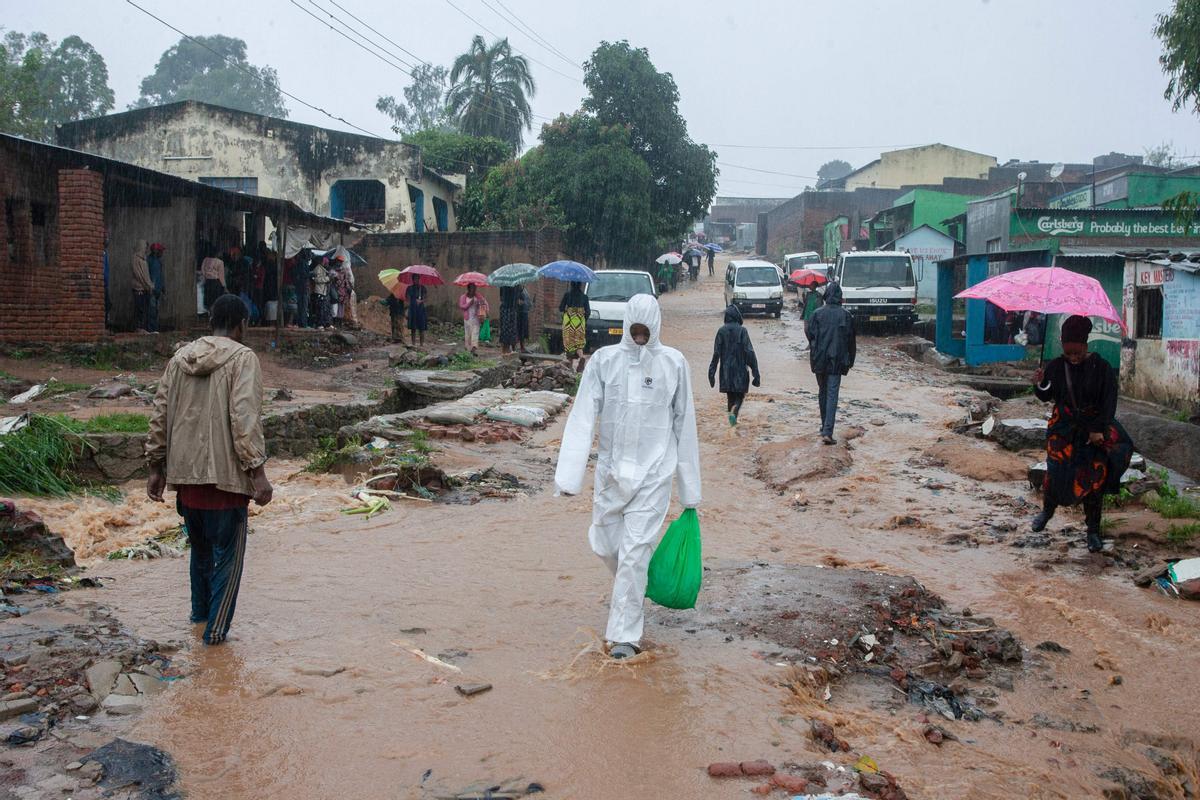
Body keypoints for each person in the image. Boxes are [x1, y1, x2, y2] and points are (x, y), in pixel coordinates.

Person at [555, 294, 701, 660]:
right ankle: (634, 586)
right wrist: (569, 477)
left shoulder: (673, 364)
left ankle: (624, 637)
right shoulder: (604, 362)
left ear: (655, 328)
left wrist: (689, 490)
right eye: (633, 331)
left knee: (634, 554)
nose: (638, 337)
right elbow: (583, 415)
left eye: (645, 331)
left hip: (654, 475)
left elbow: (686, 425)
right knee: (606, 546)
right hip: (611, 475)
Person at [145, 294, 272, 645]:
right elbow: (245, 417)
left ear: (210, 320)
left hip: (186, 482)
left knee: (200, 556)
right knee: (227, 567)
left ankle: (198, 621)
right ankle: (214, 644)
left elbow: (160, 413)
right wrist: (258, 473)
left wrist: (156, 466)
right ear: (241, 325)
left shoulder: (180, 358)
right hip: (227, 482)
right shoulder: (243, 358)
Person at [1031, 315, 1133, 553]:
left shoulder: (1102, 368)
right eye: (1068, 353)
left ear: (1086, 345)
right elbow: (1047, 395)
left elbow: (1109, 402)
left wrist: (1098, 429)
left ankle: (1093, 531)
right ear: (1063, 347)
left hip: (1092, 432)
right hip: (1063, 431)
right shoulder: (1056, 366)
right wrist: (1039, 383)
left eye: (1077, 352)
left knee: (1093, 480)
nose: (1073, 358)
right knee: (1055, 473)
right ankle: (1047, 511)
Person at [805, 282, 856, 445]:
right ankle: (827, 431)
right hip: (837, 360)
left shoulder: (817, 314)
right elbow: (851, 341)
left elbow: (810, 334)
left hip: (819, 359)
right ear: (840, 297)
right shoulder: (846, 316)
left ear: (826, 295)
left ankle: (824, 427)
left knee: (823, 392)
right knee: (832, 394)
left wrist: (816, 349)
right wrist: (851, 360)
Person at [709, 304, 761, 427]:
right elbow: (749, 352)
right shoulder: (742, 331)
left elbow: (716, 354)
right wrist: (755, 372)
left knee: (730, 397)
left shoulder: (721, 331)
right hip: (740, 370)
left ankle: (731, 424)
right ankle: (735, 412)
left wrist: (711, 373)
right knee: (740, 396)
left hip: (725, 371)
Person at [559, 281, 591, 369]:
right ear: (581, 285)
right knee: (578, 342)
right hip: (579, 322)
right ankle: (581, 357)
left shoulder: (567, 295)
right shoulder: (584, 297)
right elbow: (588, 312)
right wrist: (583, 320)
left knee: (569, 342)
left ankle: (570, 366)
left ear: (571, 284)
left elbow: (561, 308)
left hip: (569, 322)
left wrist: (567, 309)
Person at [458, 283, 489, 354]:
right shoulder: (463, 297)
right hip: (467, 318)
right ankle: (468, 349)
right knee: (468, 333)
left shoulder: (478, 296)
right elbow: (462, 306)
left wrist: (481, 304)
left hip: (476, 317)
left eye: (474, 288)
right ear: (468, 288)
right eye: (472, 288)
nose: (473, 289)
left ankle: (474, 348)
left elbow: (484, 303)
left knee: (475, 332)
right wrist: (470, 303)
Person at [131, 239, 155, 333]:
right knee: (139, 308)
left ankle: (143, 327)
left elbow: (146, 274)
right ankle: (138, 327)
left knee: (145, 309)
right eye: (145, 247)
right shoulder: (135, 258)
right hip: (138, 288)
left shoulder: (144, 259)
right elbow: (139, 274)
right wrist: (146, 284)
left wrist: (149, 285)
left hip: (146, 288)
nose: (146, 249)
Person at [200, 247, 226, 313]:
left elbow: (203, 271)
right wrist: (224, 286)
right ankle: (215, 313)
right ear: (217, 253)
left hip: (208, 282)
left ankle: (210, 313)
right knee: (216, 299)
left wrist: (207, 275)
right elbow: (221, 276)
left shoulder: (205, 260)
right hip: (216, 283)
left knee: (209, 299)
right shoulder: (220, 262)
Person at [147, 242, 166, 334]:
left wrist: (163, 287)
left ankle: (154, 328)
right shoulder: (149, 261)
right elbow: (150, 276)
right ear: (155, 251)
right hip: (152, 290)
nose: (162, 253)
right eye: (160, 251)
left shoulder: (158, 261)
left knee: (155, 311)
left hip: (157, 289)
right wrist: (152, 287)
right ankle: (151, 329)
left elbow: (160, 275)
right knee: (152, 311)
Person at [406, 275, 428, 347]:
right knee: (413, 327)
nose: (416, 280)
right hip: (413, 309)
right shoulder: (409, 288)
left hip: (421, 310)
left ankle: (421, 344)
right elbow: (408, 298)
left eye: (417, 279)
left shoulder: (423, 288)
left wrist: (421, 301)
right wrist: (413, 301)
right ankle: (413, 343)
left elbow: (425, 298)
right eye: (415, 279)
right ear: (412, 280)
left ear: (419, 279)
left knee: (421, 327)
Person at [292, 253, 312, 329]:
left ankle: (301, 322)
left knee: (300, 306)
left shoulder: (298, 264)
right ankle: (303, 323)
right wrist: (312, 274)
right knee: (303, 307)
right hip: (303, 288)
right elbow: (304, 275)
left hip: (299, 288)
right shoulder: (303, 264)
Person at [311, 257, 332, 329]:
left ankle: (325, 324)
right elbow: (316, 279)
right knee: (320, 309)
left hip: (324, 291)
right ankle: (319, 324)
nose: (327, 264)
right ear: (324, 262)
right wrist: (327, 278)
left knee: (325, 309)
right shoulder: (318, 269)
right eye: (326, 263)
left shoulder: (324, 269)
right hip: (319, 291)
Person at [499, 285, 520, 354]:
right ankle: (505, 348)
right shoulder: (505, 284)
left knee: (511, 329)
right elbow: (501, 297)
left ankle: (508, 348)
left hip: (512, 309)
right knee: (506, 328)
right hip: (507, 308)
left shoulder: (517, 285)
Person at [517, 286, 532, 352]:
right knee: (519, 330)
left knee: (523, 330)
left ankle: (522, 347)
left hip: (524, 312)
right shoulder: (517, 289)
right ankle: (519, 347)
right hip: (519, 312)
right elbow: (518, 301)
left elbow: (528, 302)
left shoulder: (524, 290)